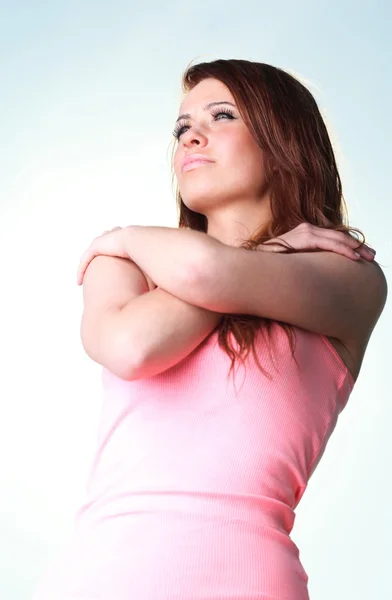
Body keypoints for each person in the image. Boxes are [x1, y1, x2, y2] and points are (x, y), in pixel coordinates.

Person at [33, 59, 387, 600]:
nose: (191, 136)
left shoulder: (346, 272)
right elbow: (134, 348)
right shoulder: (125, 266)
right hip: (95, 577)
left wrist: (130, 235)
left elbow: (207, 272)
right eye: (181, 128)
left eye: (222, 115)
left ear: (282, 138)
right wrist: (271, 251)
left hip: (246, 579)